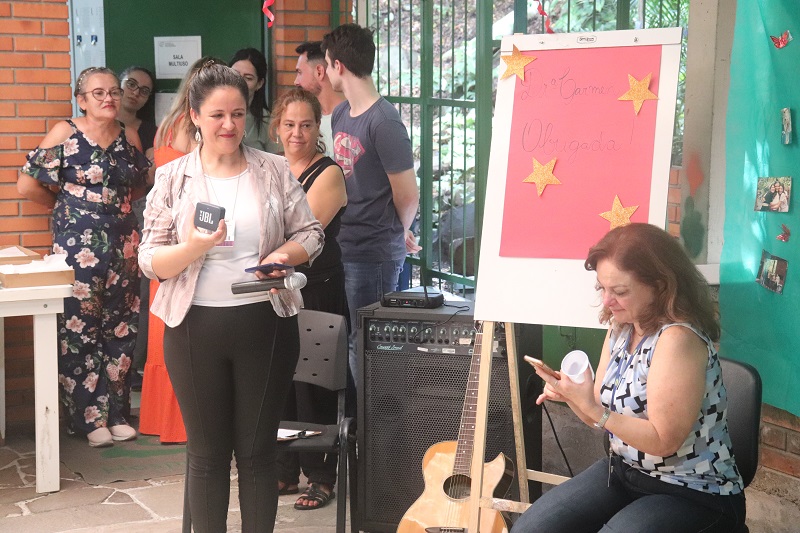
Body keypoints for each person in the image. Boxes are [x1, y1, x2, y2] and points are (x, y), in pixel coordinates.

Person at [138, 61, 324, 532]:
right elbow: (150, 260)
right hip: (193, 328)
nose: (229, 125)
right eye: (217, 115)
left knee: (258, 453)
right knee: (206, 455)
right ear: (194, 116)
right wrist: (194, 247)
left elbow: (312, 232)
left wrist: (284, 254)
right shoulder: (173, 177)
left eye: (238, 114)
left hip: (265, 324)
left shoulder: (273, 169)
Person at [512, 223, 746, 533]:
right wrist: (572, 395)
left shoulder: (678, 339)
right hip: (625, 471)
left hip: (694, 491)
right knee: (529, 529)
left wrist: (592, 408)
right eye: (602, 288)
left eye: (620, 291)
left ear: (660, 286)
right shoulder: (622, 326)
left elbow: (663, 441)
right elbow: (599, 415)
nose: (607, 301)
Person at [17, 66, 150, 448]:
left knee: (121, 328)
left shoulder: (128, 135)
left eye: (113, 92)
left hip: (124, 246)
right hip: (78, 248)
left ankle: (117, 413)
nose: (109, 98)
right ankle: (88, 418)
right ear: (81, 100)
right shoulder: (66, 132)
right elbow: (27, 183)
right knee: (79, 329)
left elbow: (139, 186)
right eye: (98, 93)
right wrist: (67, 207)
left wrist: (112, 209)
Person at [321, 23, 421, 389]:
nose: (325, 72)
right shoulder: (341, 114)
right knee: (352, 340)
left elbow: (407, 194)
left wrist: (399, 231)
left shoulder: (385, 121)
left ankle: (379, 420)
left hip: (373, 251)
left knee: (369, 346)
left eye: (327, 65)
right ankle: (360, 418)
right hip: (345, 245)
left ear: (338, 66)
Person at [270, 88, 349, 510]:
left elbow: (303, 236)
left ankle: (321, 476)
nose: (296, 133)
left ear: (318, 127)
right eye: (289, 124)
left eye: (305, 124)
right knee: (280, 383)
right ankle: (284, 470)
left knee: (314, 386)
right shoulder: (270, 167)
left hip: (316, 290)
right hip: (276, 290)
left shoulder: (328, 173)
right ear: (276, 127)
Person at [137, 57, 205, 444]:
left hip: (162, 237)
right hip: (183, 237)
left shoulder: (167, 123)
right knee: (181, 328)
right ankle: (181, 424)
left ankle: (159, 421)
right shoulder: (192, 128)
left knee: (162, 331)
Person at [117, 65, 157, 392]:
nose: (136, 93)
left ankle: (137, 366)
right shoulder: (90, 127)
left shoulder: (150, 131)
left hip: (141, 214)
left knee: (140, 291)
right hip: (100, 225)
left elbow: (149, 177)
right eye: (131, 84)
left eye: (144, 90)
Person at [294, 41, 345, 156]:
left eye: (300, 72)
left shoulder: (352, 118)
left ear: (319, 72)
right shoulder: (306, 119)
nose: (296, 81)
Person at [229, 47, 281, 153]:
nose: (240, 82)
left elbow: (278, 158)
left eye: (248, 78)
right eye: (235, 74)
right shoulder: (212, 113)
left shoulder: (267, 121)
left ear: (259, 83)